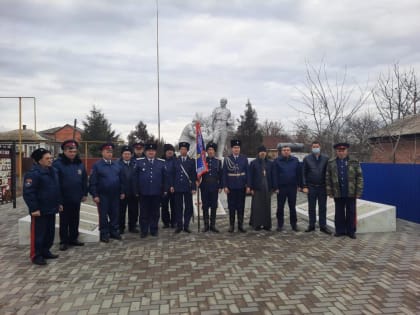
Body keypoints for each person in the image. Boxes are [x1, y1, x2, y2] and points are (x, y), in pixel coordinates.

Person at [23, 148, 62, 265]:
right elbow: (29, 193)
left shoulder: (53, 171)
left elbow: (56, 189)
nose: (50, 160)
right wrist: (34, 209)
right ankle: (36, 255)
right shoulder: (33, 174)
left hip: (51, 208)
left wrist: (58, 203)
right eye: (47, 158)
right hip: (39, 210)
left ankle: (46, 251)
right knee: (38, 234)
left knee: (49, 232)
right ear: (39, 161)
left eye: (51, 158)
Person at [53, 140, 88, 251]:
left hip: (76, 197)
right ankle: (64, 241)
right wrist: (58, 199)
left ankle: (73, 238)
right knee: (64, 220)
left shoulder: (79, 163)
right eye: (70, 151)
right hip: (64, 197)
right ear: (64, 151)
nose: (72, 153)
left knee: (75, 218)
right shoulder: (58, 164)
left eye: (74, 151)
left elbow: (84, 179)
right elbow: (55, 183)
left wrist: (84, 193)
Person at [326, 142, 364, 239]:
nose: (341, 153)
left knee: (351, 212)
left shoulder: (354, 162)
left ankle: (351, 231)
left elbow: (359, 177)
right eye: (339, 151)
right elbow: (328, 177)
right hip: (337, 191)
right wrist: (329, 191)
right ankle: (340, 230)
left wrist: (358, 191)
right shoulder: (331, 162)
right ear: (336, 151)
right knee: (339, 212)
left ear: (347, 151)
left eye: (343, 151)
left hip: (350, 191)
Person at [89, 143, 125, 243]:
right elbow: (92, 182)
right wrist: (95, 195)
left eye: (111, 152)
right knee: (103, 215)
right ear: (102, 152)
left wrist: (122, 191)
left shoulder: (116, 164)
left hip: (115, 195)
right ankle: (104, 233)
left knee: (115, 214)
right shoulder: (97, 165)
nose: (109, 154)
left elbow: (121, 180)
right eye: (107, 152)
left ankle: (114, 231)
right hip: (103, 195)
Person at [134, 143, 167, 238]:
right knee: (143, 213)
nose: (151, 152)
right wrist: (136, 190)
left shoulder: (161, 162)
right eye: (149, 151)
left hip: (156, 192)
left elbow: (165, 177)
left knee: (155, 213)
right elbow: (135, 178)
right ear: (145, 152)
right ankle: (144, 230)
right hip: (143, 192)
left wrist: (164, 190)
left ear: (155, 152)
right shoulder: (139, 162)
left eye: (152, 151)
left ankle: (154, 229)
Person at [302, 141, 332, 235]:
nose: (315, 148)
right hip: (311, 187)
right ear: (311, 148)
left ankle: (323, 226)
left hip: (322, 187)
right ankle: (311, 225)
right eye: (314, 147)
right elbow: (303, 173)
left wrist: (328, 187)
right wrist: (304, 186)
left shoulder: (326, 158)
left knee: (322, 207)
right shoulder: (307, 159)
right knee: (311, 207)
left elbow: (329, 173)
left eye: (317, 146)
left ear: (320, 147)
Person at [223, 139, 250, 233]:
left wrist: (248, 186)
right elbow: (224, 174)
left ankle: (240, 225)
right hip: (231, 186)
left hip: (241, 186)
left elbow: (248, 173)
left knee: (241, 206)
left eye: (238, 147)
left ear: (240, 148)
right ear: (232, 148)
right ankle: (231, 225)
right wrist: (225, 186)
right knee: (231, 206)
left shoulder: (244, 158)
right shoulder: (227, 159)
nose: (236, 149)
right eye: (234, 147)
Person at [273, 145, 302, 232]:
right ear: (281, 152)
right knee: (280, 207)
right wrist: (275, 187)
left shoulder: (295, 160)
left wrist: (299, 185)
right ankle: (280, 224)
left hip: (292, 187)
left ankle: (294, 224)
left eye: (288, 150)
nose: (286, 151)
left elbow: (298, 173)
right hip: (281, 188)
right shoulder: (277, 161)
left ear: (290, 151)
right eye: (284, 150)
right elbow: (274, 175)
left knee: (292, 207)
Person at [170, 142, 197, 233]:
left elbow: (193, 175)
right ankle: (179, 225)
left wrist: (194, 188)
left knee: (188, 207)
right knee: (178, 207)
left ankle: (186, 225)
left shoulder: (191, 161)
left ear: (187, 150)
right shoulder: (175, 160)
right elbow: (172, 174)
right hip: (177, 187)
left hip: (187, 187)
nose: (183, 151)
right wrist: (172, 185)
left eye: (185, 149)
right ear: (179, 150)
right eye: (181, 149)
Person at [249, 146, 275, 231]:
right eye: (261, 152)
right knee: (257, 207)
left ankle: (266, 225)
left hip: (267, 188)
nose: (263, 153)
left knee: (266, 206)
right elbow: (250, 176)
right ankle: (257, 224)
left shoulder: (270, 163)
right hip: (257, 188)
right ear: (258, 153)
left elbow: (273, 176)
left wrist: (274, 187)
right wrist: (251, 187)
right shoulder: (253, 163)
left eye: (264, 151)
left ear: (266, 153)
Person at [199, 142, 223, 232]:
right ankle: (206, 225)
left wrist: (220, 186)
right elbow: (198, 174)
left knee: (214, 206)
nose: (210, 151)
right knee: (205, 206)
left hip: (214, 186)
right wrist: (197, 181)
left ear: (214, 151)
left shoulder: (218, 162)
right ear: (207, 151)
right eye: (209, 150)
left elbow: (221, 175)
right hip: (204, 186)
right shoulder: (202, 162)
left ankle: (212, 225)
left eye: (212, 150)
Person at [118, 145, 138, 234]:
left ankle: (132, 226)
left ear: (131, 155)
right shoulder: (117, 164)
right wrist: (120, 191)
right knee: (121, 211)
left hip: (133, 192)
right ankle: (121, 227)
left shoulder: (135, 164)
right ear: (122, 155)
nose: (127, 155)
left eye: (128, 154)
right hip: (122, 193)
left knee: (133, 211)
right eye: (125, 154)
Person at [161, 144, 176, 228]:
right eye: (168, 150)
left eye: (171, 150)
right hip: (164, 188)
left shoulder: (176, 161)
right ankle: (166, 222)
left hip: (174, 187)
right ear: (165, 152)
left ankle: (174, 221)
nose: (170, 152)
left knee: (174, 206)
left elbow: (177, 175)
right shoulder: (161, 161)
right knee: (164, 206)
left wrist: (173, 185)